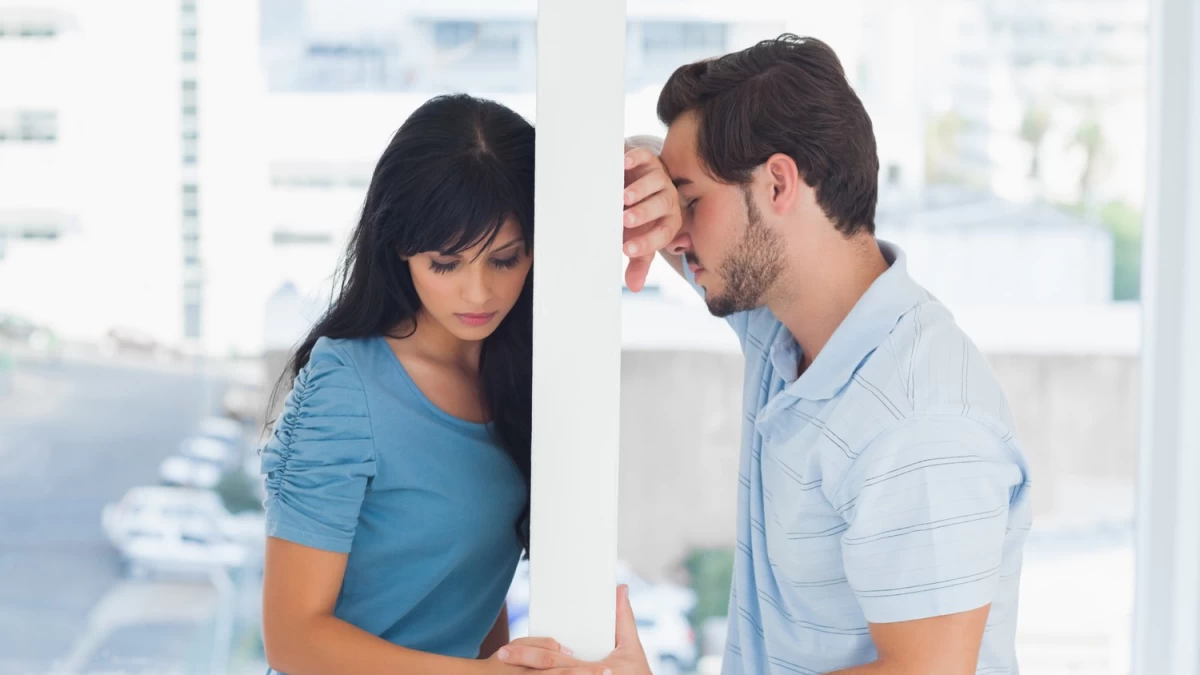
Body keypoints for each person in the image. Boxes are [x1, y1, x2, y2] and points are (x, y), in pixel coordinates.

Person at [499, 34, 1032, 674]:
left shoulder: (919, 420)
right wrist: (656, 186)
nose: (676, 233)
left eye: (691, 201)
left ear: (778, 183)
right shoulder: (780, 324)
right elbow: (638, 164)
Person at [259, 94, 604, 675]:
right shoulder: (347, 387)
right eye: (446, 263)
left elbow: (467, 590)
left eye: (504, 259)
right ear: (400, 246)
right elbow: (292, 640)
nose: (479, 293)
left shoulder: (523, 379)